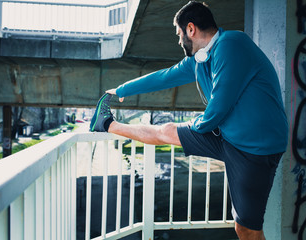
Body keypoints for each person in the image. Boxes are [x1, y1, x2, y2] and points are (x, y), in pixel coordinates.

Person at [89, 1, 288, 239]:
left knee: (246, 229)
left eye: (179, 33)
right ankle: (106, 124)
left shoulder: (232, 44)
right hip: (228, 136)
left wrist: (195, 126)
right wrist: (121, 90)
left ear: (190, 29)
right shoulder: (199, 60)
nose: (179, 40)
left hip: (256, 147)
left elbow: (218, 109)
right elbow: (164, 77)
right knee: (166, 130)